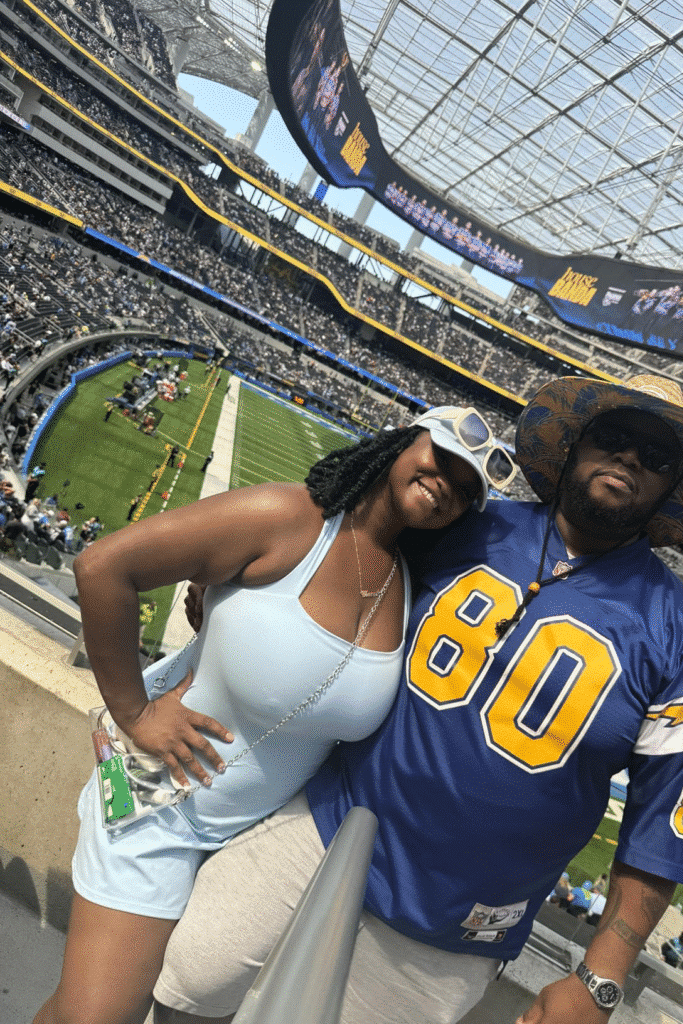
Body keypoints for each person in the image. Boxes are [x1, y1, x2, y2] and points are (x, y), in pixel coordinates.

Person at [152, 374, 683, 1024]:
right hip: (326, 822)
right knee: (186, 981)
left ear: (671, 487)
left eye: (655, 457)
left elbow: (668, 818)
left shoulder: (681, 638)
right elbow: (333, 551)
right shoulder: (471, 525)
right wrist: (224, 580)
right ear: (576, 444)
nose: (630, 458)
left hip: (458, 923)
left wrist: (601, 978)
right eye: (615, 437)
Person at [34, 406, 508, 1024]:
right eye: (442, 458)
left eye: (467, 489)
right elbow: (104, 568)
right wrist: (135, 711)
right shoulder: (289, 518)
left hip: (251, 843)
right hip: (158, 808)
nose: (449, 483)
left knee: (80, 1007)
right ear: (401, 439)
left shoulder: (408, 584)